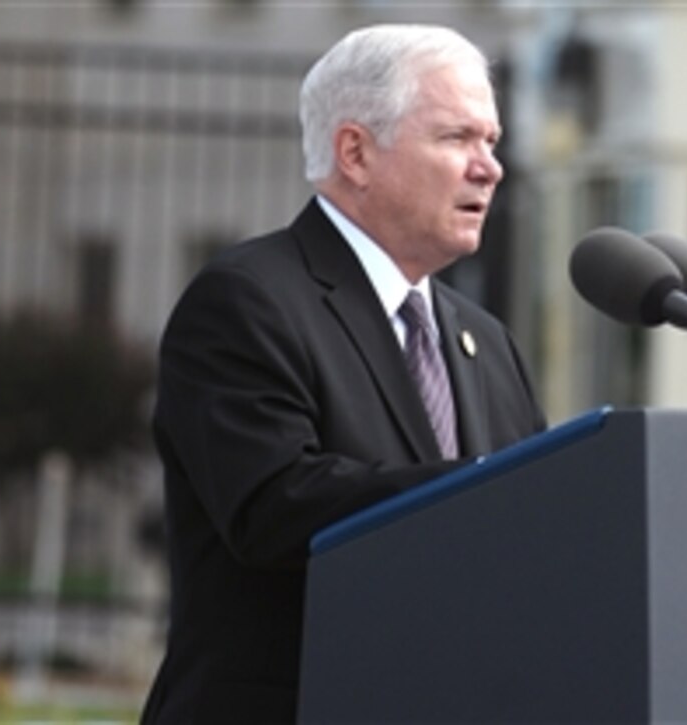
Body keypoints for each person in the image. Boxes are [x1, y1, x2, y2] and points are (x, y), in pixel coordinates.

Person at [141, 24, 546, 725]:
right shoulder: (248, 300)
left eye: (492, 141)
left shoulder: (488, 343)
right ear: (355, 152)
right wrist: (489, 488)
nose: (490, 167)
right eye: (457, 139)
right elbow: (273, 507)